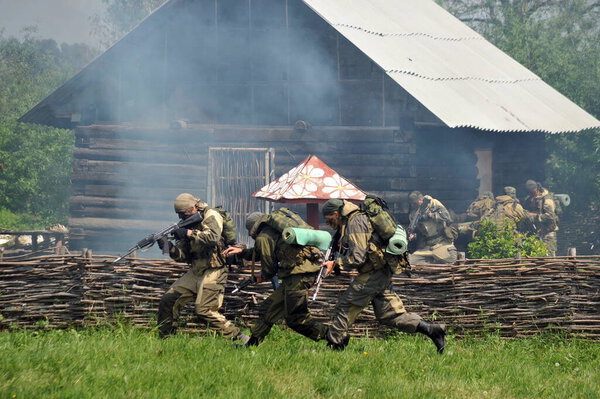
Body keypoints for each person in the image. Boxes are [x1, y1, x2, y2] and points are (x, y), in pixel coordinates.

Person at [321, 199, 446, 354]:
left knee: (346, 306)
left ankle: (335, 344)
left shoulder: (355, 222)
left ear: (335, 213)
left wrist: (336, 264)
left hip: (372, 274)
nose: (329, 223)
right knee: (390, 315)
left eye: (329, 219)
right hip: (381, 272)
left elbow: (357, 257)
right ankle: (433, 330)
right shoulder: (357, 219)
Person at [223, 211, 329, 346]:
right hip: (297, 275)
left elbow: (269, 268)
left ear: (252, 227)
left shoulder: (263, 237)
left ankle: (334, 337)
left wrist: (263, 276)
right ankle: (253, 343)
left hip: (299, 276)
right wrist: (243, 252)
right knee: (268, 308)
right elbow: (260, 252)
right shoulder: (272, 232)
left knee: (296, 319)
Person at [156, 193, 248, 342]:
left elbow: (212, 238)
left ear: (193, 208)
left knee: (204, 309)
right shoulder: (188, 223)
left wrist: (188, 233)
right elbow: (182, 256)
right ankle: (166, 341)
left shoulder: (211, 214)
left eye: (183, 213)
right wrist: (167, 246)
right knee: (168, 300)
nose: (181, 217)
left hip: (215, 269)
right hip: (196, 270)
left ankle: (239, 338)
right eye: (179, 215)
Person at [407, 191, 457, 264]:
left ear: (421, 200)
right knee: (411, 261)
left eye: (415, 203)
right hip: (427, 245)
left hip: (441, 243)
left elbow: (447, 217)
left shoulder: (433, 203)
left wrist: (432, 215)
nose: (413, 205)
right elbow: (418, 231)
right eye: (412, 204)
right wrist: (414, 235)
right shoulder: (413, 215)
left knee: (451, 259)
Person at [522, 180, 559, 256]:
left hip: (548, 233)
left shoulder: (547, 199)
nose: (531, 194)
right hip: (538, 233)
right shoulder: (531, 199)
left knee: (549, 258)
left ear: (536, 189)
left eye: (532, 192)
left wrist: (536, 216)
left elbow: (550, 216)